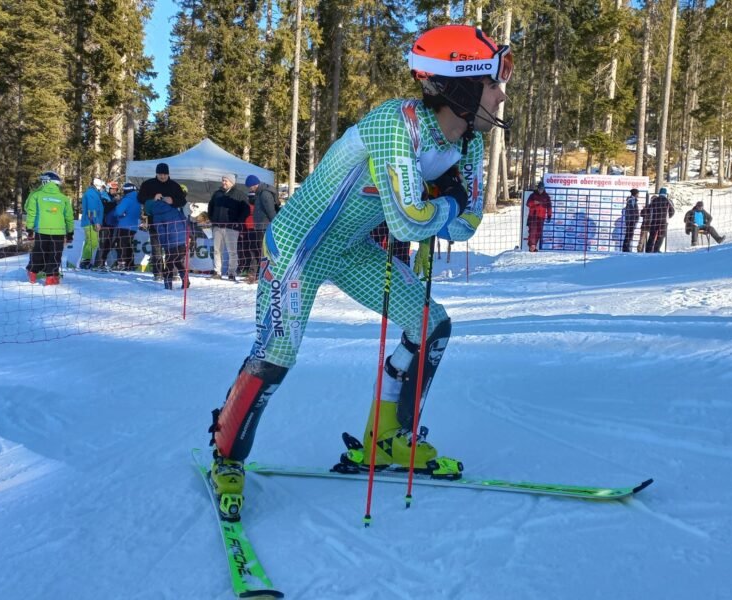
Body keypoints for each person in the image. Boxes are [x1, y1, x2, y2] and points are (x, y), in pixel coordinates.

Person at [206, 24, 511, 517]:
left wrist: (446, 204)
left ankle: (389, 438)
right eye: (494, 81)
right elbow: (409, 222)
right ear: (461, 85)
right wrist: (448, 201)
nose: (501, 95)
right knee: (277, 350)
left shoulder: (469, 145)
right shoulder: (396, 123)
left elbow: (464, 228)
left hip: (350, 248)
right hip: (299, 245)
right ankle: (226, 454)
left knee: (432, 324)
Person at [138, 163, 187, 278]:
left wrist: (173, 200)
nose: (163, 177)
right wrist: (153, 198)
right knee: (157, 250)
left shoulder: (174, 186)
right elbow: (140, 198)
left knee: (172, 249)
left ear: (168, 174)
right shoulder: (148, 184)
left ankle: (172, 273)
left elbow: (182, 201)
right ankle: (158, 273)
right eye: (160, 174)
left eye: (165, 174)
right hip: (155, 222)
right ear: (156, 173)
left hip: (172, 224)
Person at [25, 171, 74, 285]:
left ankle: (32, 272)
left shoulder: (36, 195)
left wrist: (30, 229)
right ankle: (51, 277)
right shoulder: (64, 198)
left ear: (45, 182)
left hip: (42, 229)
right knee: (55, 254)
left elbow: (30, 212)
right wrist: (70, 232)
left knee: (39, 251)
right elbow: (69, 217)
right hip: (59, 231)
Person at [206, 173, 250, 280]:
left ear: (232, 182)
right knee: (217, 250)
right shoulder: (217, 193)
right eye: (223, 180)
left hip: (232, 228)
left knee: (232, 251)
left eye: (226, 180)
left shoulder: (240, 194)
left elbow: (246, 210)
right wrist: (212, 219)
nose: (224, 182)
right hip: (217, 226)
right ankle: (217, 272)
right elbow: (210, 206)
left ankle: (232, 273)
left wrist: (238, 222)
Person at [151, 192, 191, 290]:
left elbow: (160, 231)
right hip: (181, 239)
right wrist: (187, 235)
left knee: (169, 262)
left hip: (170, 241)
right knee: (177, 260)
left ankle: (168, 285)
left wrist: (164, 244)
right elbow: (184, 220)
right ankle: (186, 281)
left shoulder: (156, 214)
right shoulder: (174, 208)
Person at [244, 175, 279, 281]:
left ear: (254, 185)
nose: (249, 189)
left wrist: (275, 224)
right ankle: (259, 273)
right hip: (260, 226)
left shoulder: (264, 194)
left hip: (265, 226)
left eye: (250, 187)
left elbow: (270, 210)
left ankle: (266, 274)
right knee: (260, 250)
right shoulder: (260, 193)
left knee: (264, 251)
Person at [79, 178, 106, 269]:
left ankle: (85, 260)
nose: (103, 188)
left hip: (91, 221)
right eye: (102, 187)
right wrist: (96, 222)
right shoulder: (91, 194)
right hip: (90, 222)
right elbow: (91, 210)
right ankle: (85, 261)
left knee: (90, 241)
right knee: (92, 242)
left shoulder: (95, 194)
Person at [113, 182, 141, 270]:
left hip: (124, 225)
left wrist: (119, 212)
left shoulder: (126, 199)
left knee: (121, 245)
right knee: (129, 245)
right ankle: (130, 264)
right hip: (133, 226)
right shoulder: (137, 200)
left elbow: (118, 211)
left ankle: (121, 263)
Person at [641, 187, 675, 253]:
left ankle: (648, 249)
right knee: (661, 236)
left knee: (652, 235)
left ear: (659, 193)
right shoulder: (667, 201)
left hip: (654, 220)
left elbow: (648, 209)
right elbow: (672, 211)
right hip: (663, 221)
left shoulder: (654, 200)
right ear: (665, 193)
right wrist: (668, 216)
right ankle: (656, 249)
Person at [95, 182, 120, 270]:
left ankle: (102, 262)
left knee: (110, 244)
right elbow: (105, 208)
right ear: (108, 189)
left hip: (112, 224)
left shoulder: (114, 198)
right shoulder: (103, 196)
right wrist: (115, 203)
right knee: (103, 243)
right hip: (104, 224)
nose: (114, 191)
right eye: (112, 189)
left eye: (115, 189)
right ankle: (99, 263)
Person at [525, 182, 552, 252]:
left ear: (544, 189)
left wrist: (549, 215)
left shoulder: (546, 197)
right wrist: (534, 202)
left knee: (538, 232)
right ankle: (532, 246)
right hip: (533, 216)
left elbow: (549, 207)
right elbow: (527, 204)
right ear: (538, 188)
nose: (541, 190)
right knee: (532, 232)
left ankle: (534, 246)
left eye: (542, 189)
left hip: (541, 217)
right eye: (539, 189)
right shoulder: (532, 195)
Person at [622, 188, 640, 252]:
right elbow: (632, 211)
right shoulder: (632, 200)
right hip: (631, 220)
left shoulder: (632, 200)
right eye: (638, 193)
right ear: (635, 194)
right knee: (629, 234)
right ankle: (626, 248)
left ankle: (626, 248)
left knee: (629, 234)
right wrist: (634, 219)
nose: (638, 195)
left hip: (630, 220)